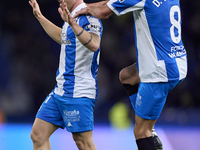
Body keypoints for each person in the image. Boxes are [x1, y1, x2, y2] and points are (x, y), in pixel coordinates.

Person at [74, 0, 187, 150]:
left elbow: (103, 13)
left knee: (141, 132)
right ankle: (149, 127)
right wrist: (90, 6)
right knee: (127, 76)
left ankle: (148, 131)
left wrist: (83, 10)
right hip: (177, 61)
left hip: (159, 71)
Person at [29, 0, 103, 149]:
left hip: (78, 91)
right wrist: (40, 16)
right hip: (61, 89)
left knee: (83, 142)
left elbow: (94, 44)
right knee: (38, 135)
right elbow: (63, 38)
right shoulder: (71, 16)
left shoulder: (89, 16)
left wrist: (72, 24)